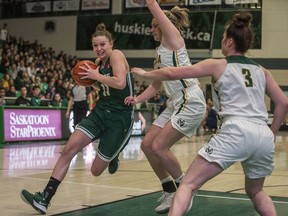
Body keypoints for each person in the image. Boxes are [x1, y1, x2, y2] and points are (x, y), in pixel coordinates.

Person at [131, 12, 288, 216]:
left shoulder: (218, 64)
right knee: (257, 191)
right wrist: (272, 132)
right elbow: (283, 102)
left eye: (223, 39)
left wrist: (145, 74)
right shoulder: (262, 70)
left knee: (186, 185)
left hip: (236, 130)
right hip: (262, 135)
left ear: (230, 41)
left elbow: (171, 73)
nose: (221, 42)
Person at [20, 23, 134, 215]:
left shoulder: (117, 55)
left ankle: (114, 153)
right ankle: (44, 198)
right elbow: (102, 87)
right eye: (95, 45)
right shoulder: (97, 64)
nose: (99, 49)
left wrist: (96, 76)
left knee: (96, 170)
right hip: (100, 111)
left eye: (102, 44)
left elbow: (120, 82)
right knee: (69, 149)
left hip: (119, 118)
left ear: (111, 44)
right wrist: (89, 80)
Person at [124, 0, 206, 214]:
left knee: (159, 146)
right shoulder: (160, 51)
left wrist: (150, 3)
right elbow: (156, 84)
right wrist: (138, 99)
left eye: (153, 26)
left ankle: (185, 189)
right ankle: (169, 190)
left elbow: (154, 8)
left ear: (162, 25)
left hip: (190, 99)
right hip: (174, 103)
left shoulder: (173, 39)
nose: (151, 30)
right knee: (147, 145)